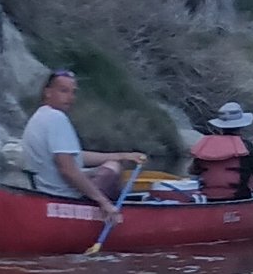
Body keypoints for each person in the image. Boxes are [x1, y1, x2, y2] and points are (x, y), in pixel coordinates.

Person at [20, 69, 154, 219]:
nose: (70, 98)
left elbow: (76, 156)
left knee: (112, 163)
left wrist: (122, 155)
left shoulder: (40, 116)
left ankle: (121, 206)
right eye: (64, 91)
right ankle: (120, 213)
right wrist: (103, 202)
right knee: (113, 169)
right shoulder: (56, 118)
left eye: (73, 92)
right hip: (65, 195)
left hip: (49, 190)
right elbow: (68, 169)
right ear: (48, 92)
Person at [190, 103, 253, 201]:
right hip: (239, 198)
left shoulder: (206, 146)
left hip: (209, 199)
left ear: (220, 126)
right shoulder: (247, 147)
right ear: (241, 126)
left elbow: (192, 171)